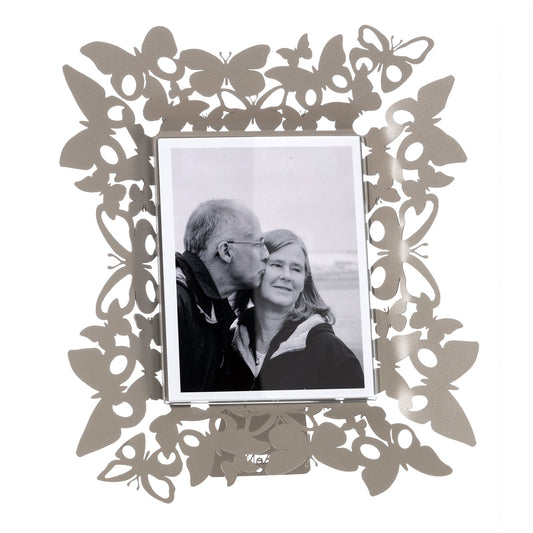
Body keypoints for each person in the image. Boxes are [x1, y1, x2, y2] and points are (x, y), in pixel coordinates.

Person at [224, 229, 364, 391]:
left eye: (296, 269)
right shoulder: (227, 346)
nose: (287, 276)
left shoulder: (331, 353)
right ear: (253, 271)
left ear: (304, 281)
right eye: (276, 265)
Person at [175, 199, 268, 392]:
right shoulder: (175, 303)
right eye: (258, 243)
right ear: (226, 251)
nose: (266, 254)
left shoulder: (211, 309)